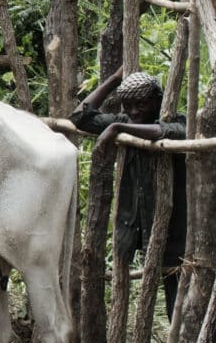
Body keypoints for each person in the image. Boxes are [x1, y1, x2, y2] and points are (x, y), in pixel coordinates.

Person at [77, 70, 187, 315]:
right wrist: (114, 80)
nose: (135, 112)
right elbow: (80, 117)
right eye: (128, 105)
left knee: (177, 301)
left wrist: (116, 127)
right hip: (134, 226)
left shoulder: (176, 120)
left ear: (158, 100)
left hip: (174, 231)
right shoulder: (128, 121)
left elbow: (172, 132)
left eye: (142, 104)